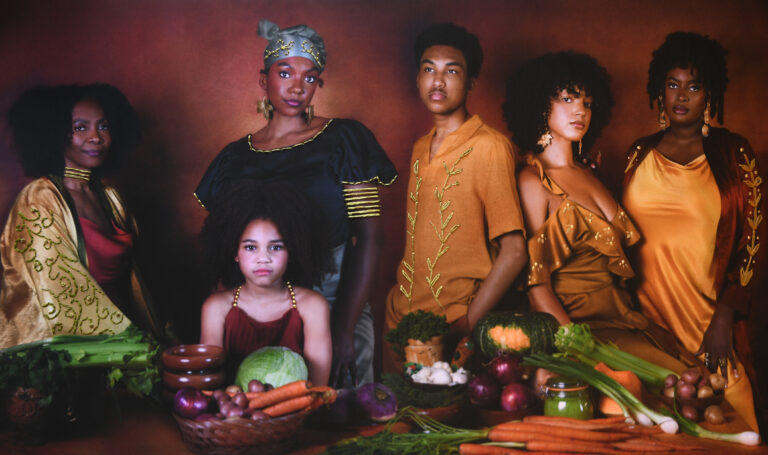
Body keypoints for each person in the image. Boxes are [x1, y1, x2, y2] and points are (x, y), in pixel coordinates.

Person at [194, 20, 396, 388]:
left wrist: (344, 328)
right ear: (263, 79)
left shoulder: (345, 141)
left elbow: (370, 239)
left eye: (310, 77)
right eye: (285, 73)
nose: (296, 87)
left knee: (340, 428)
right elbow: (224, 251)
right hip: (258, 321)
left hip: (336, 305)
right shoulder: (234, 159)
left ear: (319, 83)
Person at [506, 51, 689, 374]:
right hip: (581, 332)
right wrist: (580, 349)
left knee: (698, 380)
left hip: (627, 321)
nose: (581, 110)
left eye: (588, 103)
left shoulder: (590, 172)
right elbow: (537, 289)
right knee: (677, 387)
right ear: (538, 104)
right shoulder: (533, 180)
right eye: (568, 98)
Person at [622, 32, 763, 431]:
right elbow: (619, 237)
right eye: (672, 84)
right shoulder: (638, 153)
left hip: (709, 324)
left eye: (694, 86)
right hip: (647, 326)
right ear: (659, 91)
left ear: (709, 95)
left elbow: (751, 243)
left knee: (738, 428)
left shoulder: (734, 153)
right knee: (665, 431)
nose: (681, 96)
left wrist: (724, 318)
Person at [385, 23, 527, 361]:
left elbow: (515, 251)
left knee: (445, 412)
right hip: (399, 320)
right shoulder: (420, 147)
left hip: (454, 324)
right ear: (418, 80)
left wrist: (469, 323)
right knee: (395, 412)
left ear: (471, 82)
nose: (438, 81)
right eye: (428, 69)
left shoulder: (490, 146)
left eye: (451, 71)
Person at [0, 84, 169, 348]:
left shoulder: (110, 197)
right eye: (80, 127)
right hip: (76, 348)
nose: (96, 137)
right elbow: (55, 293)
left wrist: (151, 336)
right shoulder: (39, 199)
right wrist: (125, 343)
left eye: (103, 126)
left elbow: (133, 284)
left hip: (128, 335)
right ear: (56, 133)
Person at [199, 181, 332, 386]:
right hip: (233, 414)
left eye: (276, 247)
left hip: (297, 414)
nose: (264, 258)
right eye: (251, 247)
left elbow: (318, 387)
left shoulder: (312, 306)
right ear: (235, 253)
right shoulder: (216, 307)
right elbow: (209, 382)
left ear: (291, 252)